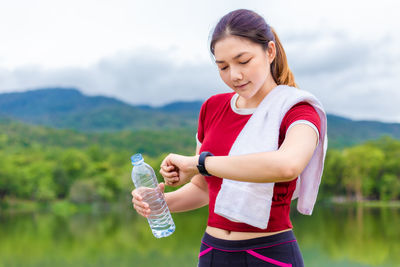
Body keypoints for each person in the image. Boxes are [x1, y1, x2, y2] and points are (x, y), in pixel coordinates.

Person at [132, 8, 327, 267]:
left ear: (270, 52)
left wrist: (199, 163)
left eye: (243, 61)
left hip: (269, 254)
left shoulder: (298, 110)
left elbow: (287, 165)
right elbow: (203, 189)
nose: (234, 75)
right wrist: (159, 203)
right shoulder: (212, 108)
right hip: (213, 253)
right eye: (223, 67)